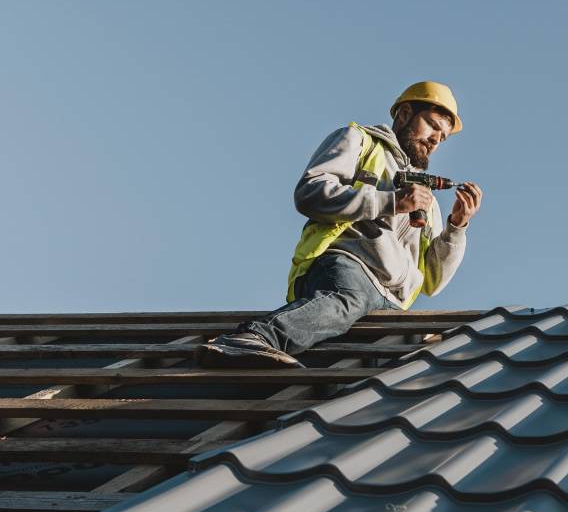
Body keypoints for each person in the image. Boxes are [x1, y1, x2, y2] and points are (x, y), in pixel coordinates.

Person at [197, 81, 483, 368]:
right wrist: (390, 202)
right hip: (349, 269)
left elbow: (433, 282)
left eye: (443, 137)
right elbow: (311, 193)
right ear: (405, 113)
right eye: (432, 126)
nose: (435, 139)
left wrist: (457, 227)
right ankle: (254, 338)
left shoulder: (427, 201)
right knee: (346, 300)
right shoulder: (360, 142)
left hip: (390, 302)